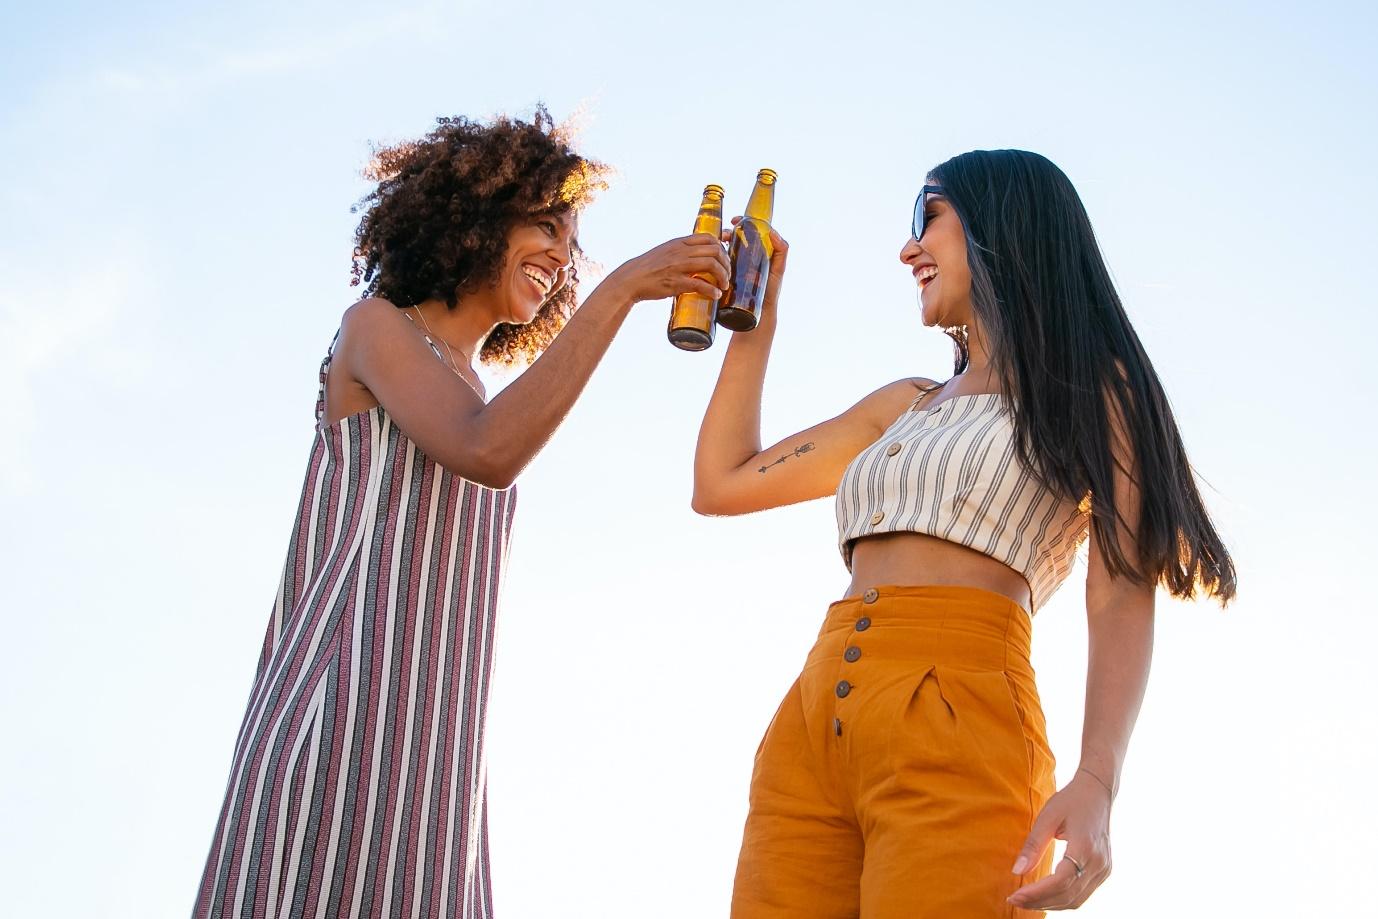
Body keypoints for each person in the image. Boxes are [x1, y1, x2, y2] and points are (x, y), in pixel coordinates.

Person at [192, 108, 730, 919]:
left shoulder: (477, 385)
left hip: (434, 746)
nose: (560, 254)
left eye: (571, 242)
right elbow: (486, 449)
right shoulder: (375, 329)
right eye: (543, 224)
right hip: (339, 719)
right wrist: (623, 289)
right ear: (475, 216)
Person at [693, 149, 1236, 917]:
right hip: (815, 716)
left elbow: (1119, 590)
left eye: (927, 217)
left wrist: (1097, 779)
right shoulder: (904, 404)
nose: (909, 249)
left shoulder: (1092, 392)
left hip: (962, 711)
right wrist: (756, 316)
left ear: (1002, 226)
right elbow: (720, 483)